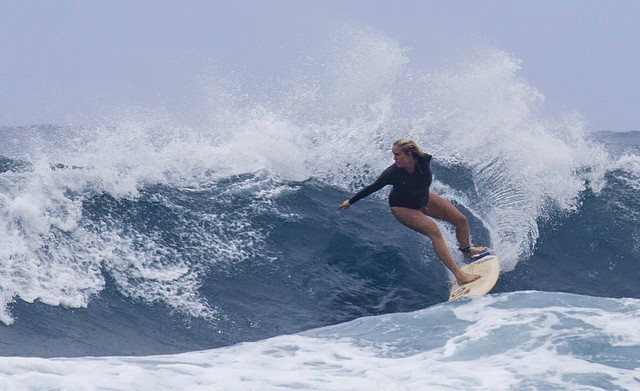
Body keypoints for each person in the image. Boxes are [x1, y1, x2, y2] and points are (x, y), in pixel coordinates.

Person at [338, 138, 486, 286]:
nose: (394, 158)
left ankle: (467, 251)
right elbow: (372, 187)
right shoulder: (392, 173)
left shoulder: (424, 160)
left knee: (460, 220)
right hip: (402, 207)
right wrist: (350, 202)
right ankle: (460, 276)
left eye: (397, 154)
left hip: (423, 198)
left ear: (409, 153)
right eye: (393, 154)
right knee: (434, 231)